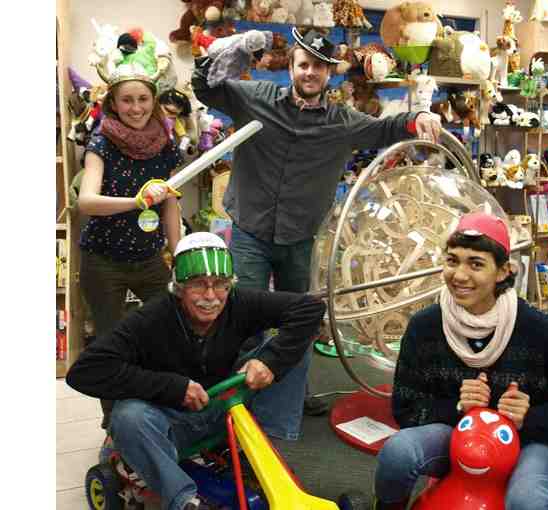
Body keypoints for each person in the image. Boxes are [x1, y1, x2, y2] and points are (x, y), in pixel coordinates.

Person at [190, 27, 443, 440]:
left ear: (329, 74)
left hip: (301, 239)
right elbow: (206, 89)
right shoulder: (254, 98)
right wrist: (216, 53)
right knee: (246, 321)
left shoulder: (343, 122)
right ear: (291, 66)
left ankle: (289, 394)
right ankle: (244, 406)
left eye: (319, 67)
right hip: (251, 230)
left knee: (299, 324)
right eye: (304, 64)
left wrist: (419, 118)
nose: (310, 73)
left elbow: (386, 129)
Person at [66, 232, 326, 510]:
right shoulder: (151, 318)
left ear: (230, 285)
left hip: (225, 408)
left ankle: (261, 455)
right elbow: (83, 371)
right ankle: (184, 501)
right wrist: (174, 388)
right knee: (129, 416)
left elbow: (311, 309)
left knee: (294, 350)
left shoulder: (239, 302)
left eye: (220, 284)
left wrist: (270, 362)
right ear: (179, 287)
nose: (211, 296)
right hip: (171, 422)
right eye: (198, 284)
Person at [374, 212, 548, 510]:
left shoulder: (539, 329)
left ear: (503, 271)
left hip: (528, 440)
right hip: (457, 433)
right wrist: (459, 407)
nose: (459, 275)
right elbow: (405, 408)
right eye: (452, 260)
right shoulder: (425, 326)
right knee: (398, 453)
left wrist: (528, 417)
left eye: (476, 264)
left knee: (527, 502)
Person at [78, 62, 183, 431]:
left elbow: (170, 202)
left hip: (149, 258)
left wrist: (179, 252)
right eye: (127, 100)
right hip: (102, 261)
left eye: (142, 99)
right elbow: (86, 202)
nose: (135, 108)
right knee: (110, 345)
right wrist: (135, 202)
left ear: (153, 101)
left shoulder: (165, 144)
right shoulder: (101, 142)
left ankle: (162, 412)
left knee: (170, 329)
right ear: (113, 103)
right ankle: (115, 425)